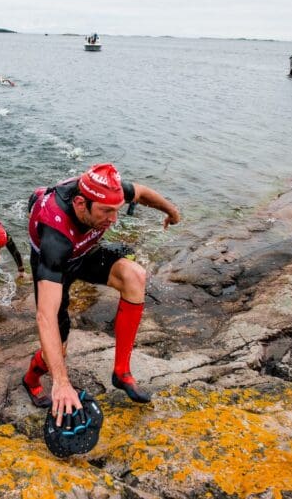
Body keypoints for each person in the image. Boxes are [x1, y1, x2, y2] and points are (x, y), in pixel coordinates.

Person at [23, 163, 180, 421]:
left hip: (85, 252)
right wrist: (61, 382)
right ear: (79, 204)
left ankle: (121, 372)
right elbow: (45, 316)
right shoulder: (55, 236)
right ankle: (30, 379)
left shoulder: (107, 191)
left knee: (135, 275)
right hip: (58, 265)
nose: (114, 219)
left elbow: (140, 192)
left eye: (116, 210)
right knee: (57, 351)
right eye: (106, 211)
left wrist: (172, 212)